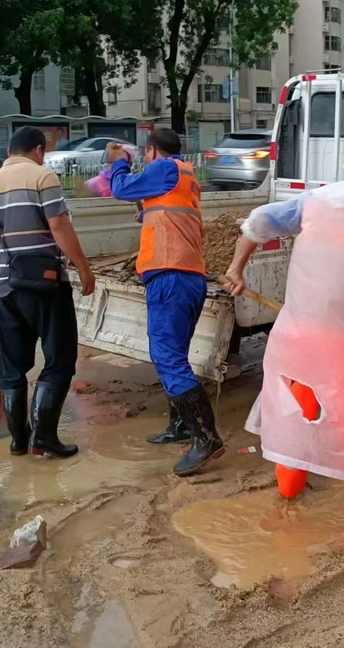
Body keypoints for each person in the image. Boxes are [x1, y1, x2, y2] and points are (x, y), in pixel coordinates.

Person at [220, 137, 344, 542]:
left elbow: (256, 223)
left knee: (300, 407)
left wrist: (237, 270)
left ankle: (289, 487)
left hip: (302, 336)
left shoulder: (315, 201)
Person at [106, 128, 221, 477]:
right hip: (188, 277)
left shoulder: (165, 167)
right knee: (174, 356)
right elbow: (167, 213)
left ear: (152, 151)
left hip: (170, 276)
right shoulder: (185, 175)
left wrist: (119, 163)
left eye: (144, 154)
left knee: (167, 358)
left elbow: (119, 188)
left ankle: (206, 438)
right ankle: (182, 426)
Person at [0, 126, 96, 459]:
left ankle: (18, 440)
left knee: (13, 366)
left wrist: (4, 270)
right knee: (59, 359)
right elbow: (58, 225)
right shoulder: (43, 178)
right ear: (38, 151)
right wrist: (83, 267)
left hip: (4, 288)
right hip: (46, 284)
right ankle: (44, 438)